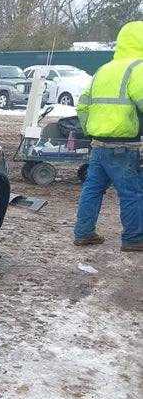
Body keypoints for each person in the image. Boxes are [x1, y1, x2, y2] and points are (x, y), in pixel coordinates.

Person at [73, 20, 143, 252]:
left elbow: (82, 106)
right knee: (131, 192)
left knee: (92, 190)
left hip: (99, 145)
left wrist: (91, 129)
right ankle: (133, 239)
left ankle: (83, 233)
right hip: (125, 147)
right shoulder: (138, 68)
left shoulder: (104, 69)